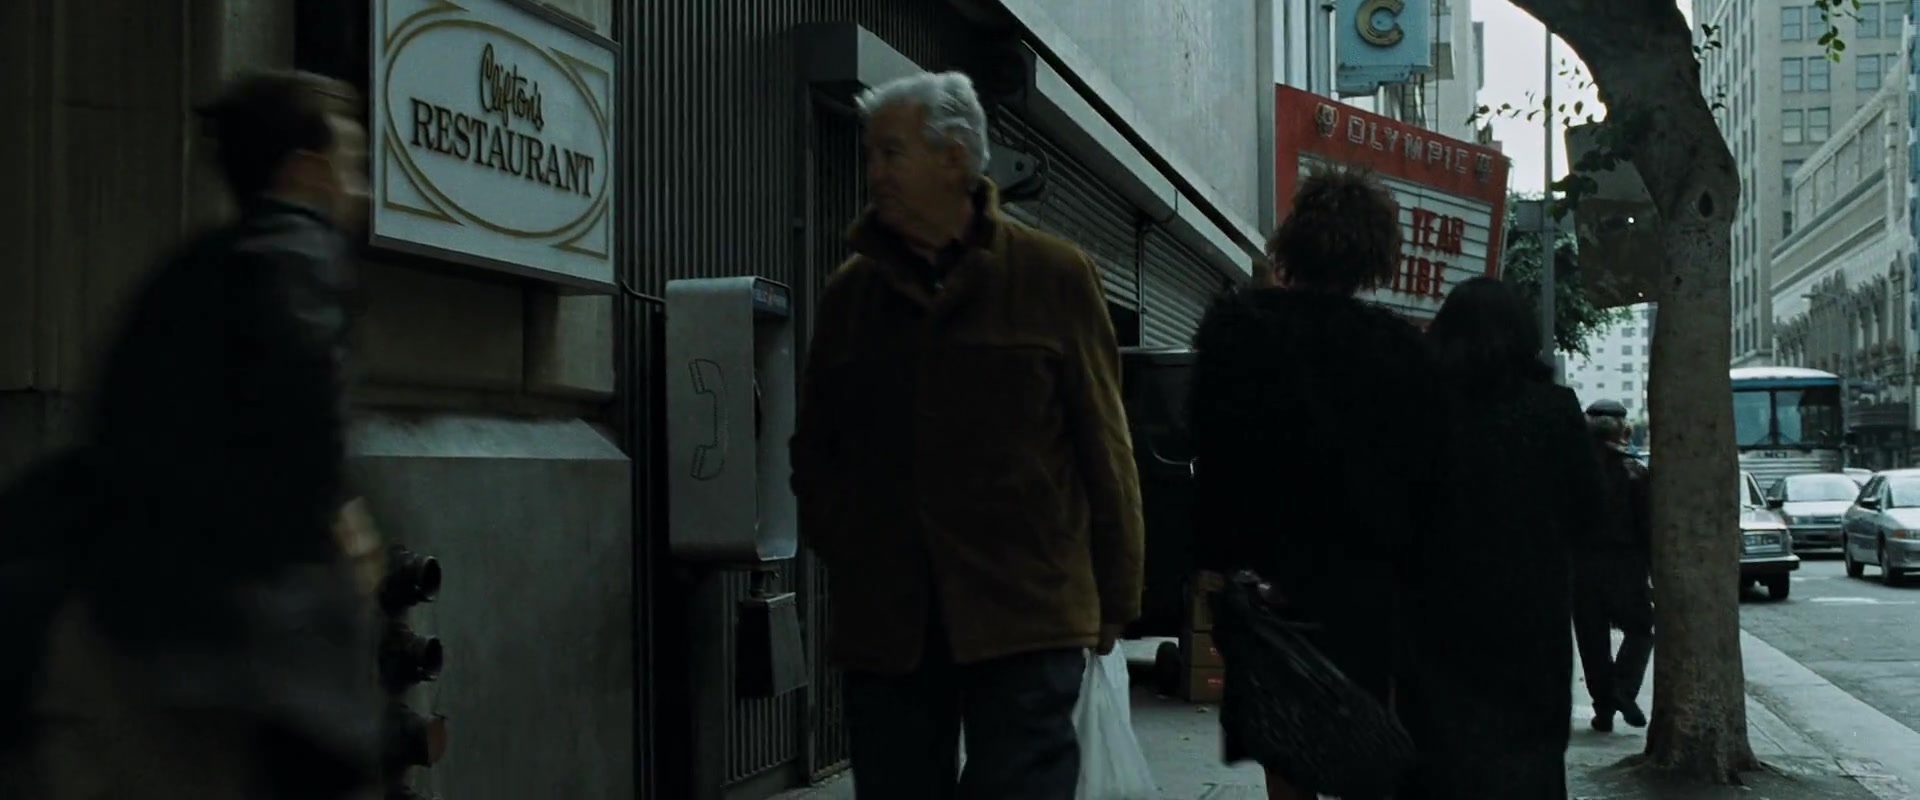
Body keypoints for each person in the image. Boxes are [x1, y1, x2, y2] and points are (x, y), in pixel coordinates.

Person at [0, 70, 380, 799]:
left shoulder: (186, 270)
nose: (362, 191)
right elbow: (301, 444)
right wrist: (340, 520)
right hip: (205, 673)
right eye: (354, 165)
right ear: (307, 171)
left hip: (99, 639)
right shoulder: (299, 257)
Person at [788, 71, 1145, 800]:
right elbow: (816, 452)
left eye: (891, 153)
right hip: (890, 625)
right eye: (871, 154)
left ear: (954, 156)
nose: (874, 173)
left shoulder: (1052, 276)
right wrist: (853, 550)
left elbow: (1105, 450)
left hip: (1028, 613)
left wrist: (1114, 598)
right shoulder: (851, 295)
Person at [1187, 166, 1440, 800]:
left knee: (1286, 737)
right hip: (1364, 581)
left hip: (1267, 576)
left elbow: (1211, 452)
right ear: (1375, 256)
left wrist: (1216, 560)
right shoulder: (1399, 352)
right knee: (1361, 735)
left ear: (1293, 243)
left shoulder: (1236, 333)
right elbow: (1422, 480)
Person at [1396, 277, 1602, 800]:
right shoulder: (1555, 409)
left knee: (1439, 762)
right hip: (1531, 625)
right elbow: (1588, 514)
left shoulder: (1417, 409)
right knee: (1527, 766)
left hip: (1435, 622)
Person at [1573, 408, 1655, 733]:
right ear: (1623, 432)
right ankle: (1622, 687)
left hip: (1581, 567)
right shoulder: (1634, 472)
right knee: (1641, 629)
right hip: (1626, 566)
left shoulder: (1573, 471)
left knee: (1592, 641)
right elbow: (1647, 528)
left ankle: (1603, 709)